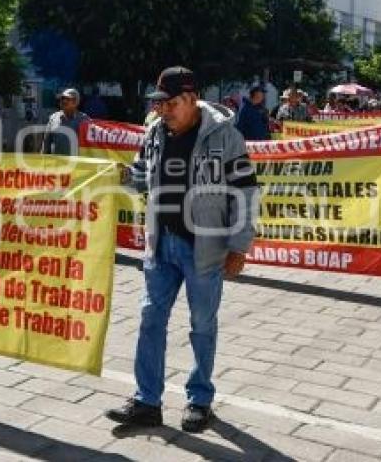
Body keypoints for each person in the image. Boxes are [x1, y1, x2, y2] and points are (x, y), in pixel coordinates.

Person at [105, 66, 257, 433]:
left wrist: (239, 246)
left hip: (205, 249)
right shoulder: (154, 132)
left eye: (170, 103)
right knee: (150, 319)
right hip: (160, 245)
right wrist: (123, 176)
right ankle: (147, 402)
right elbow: (142, 174)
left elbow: (245, 191)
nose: (163, 110)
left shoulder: (226, 136)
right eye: (159, 104)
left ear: (192, 99)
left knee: (202, 325)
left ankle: (200, 400)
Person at [41, 88, 90, 155]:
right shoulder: (53, 118)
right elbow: (46, 142)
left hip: (76, 160)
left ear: (76, 102)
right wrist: (42, 158)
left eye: (68, 99)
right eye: (62, 98)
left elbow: (90, 144)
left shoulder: (84, 119)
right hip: (57, 160)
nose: (64, 101)